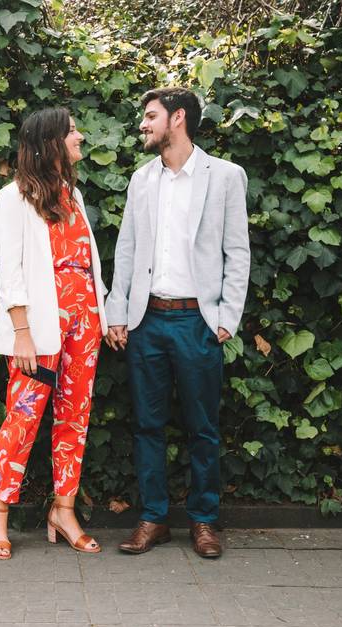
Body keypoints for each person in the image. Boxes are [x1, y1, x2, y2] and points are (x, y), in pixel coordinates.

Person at [104, 87, 250, 559]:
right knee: (148, 425)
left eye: (150, 116)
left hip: (197, 322)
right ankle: (153, 518)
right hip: (147, 322)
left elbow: (237, 251)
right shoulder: (141, 180)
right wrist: (118, 312)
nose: (143, 125)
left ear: (178, 118)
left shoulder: (225, 176)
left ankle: (204, 522)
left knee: (202, 427)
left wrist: (226, 316)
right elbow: (126, 251)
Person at [0, 107, 109, 560]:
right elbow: (10, 271)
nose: (80, 136)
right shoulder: (13, 198)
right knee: (24, 415)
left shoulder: (72, 196)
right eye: (72, 131)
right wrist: (21, 332)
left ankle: (64, 509)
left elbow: (88, 267)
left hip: (85, 324)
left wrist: (105, 317)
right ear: (50, 142)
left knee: (75, 417)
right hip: (38, 328)